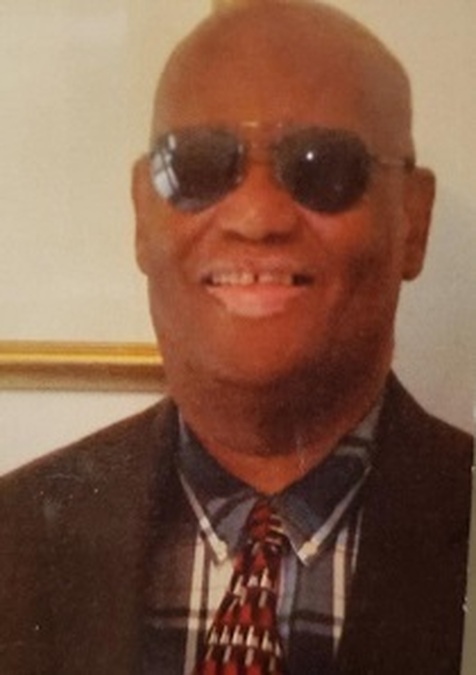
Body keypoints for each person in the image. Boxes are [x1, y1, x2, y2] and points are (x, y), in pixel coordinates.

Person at [0, 1, 472, 674]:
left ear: (414, 220)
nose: (256, 215)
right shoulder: (13, 534)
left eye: (321, 164)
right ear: (142, 213)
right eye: (196, 164)